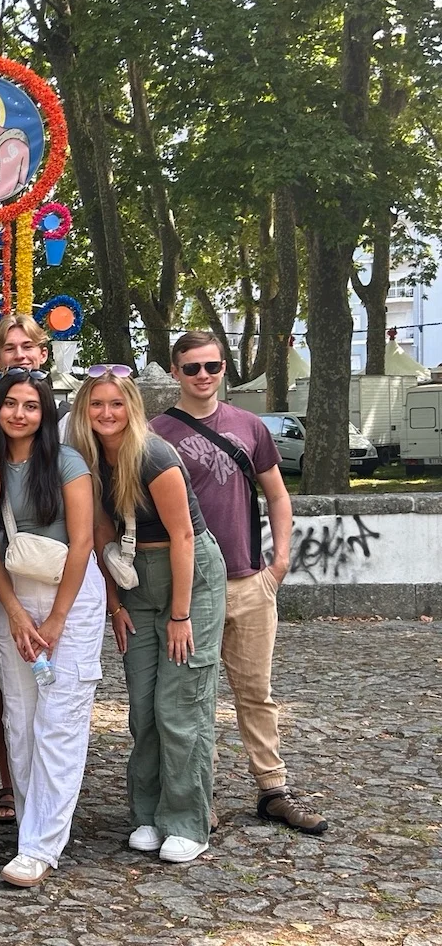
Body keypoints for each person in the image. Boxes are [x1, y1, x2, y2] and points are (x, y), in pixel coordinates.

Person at [152, 332, 327, 834]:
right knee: (192, 695)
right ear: (174, 371)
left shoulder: (250, 427)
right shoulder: (157, 432)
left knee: (255, 691)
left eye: (210, 366)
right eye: (191, 368)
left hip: (250, 580)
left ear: (224, 368)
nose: (202, 376)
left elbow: (278, 494)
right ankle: (194, 794)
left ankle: (273, 789)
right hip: (188, 586)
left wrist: (281, 561)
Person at [68, 367, 227, 864]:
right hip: (135, 580)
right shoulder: (89, 458)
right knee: (143, 705)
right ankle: (149, 813)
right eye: (97, 404)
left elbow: (182, 536)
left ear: (132, 408)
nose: (106, 413)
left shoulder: (153, 454)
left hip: (187, 578)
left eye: (116, 404)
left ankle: (187, 821)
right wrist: (114, 603)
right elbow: (98, 536)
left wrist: (181, 615)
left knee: (180, 706)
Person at [0, 370, 105, 887]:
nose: (19, 414)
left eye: (31, 406)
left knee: (60, 722)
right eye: (11, 404)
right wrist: (12, 610)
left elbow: (82, 543)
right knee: (20, 720)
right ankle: (32, 828)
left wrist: (55, 620)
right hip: (13, 596)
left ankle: (42, 846)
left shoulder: (66, 462)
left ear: (45, 413)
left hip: (69, 598)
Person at [0, 313, 54, 825]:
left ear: (43, 354)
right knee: (1, 685)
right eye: (10, 348)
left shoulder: (66, 413)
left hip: (55, 565)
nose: (20, 354)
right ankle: (11, 782)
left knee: (55, 687)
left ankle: (51, 791)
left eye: (29, 346)